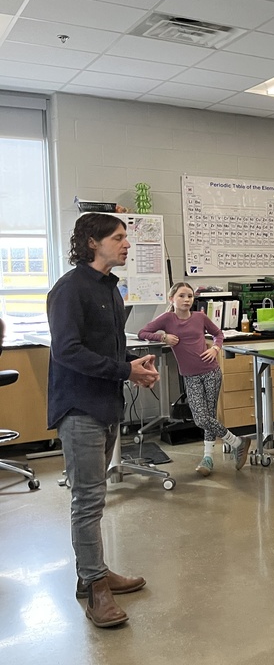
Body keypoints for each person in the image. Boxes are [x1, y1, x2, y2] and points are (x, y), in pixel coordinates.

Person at [47, 213, 160, 628]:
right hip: (79, 408)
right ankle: (96, 588)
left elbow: (108, 349)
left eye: (126, 237)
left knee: (93, 499)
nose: (127, 243)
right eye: (118, 237)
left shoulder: (111, 291)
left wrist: (133, 362)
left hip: (105, 403)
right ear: (92, 242)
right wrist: (126, 371)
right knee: (88, 500)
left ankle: (93, 573)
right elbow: (67, 352)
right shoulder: (69, 290)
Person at [138, 282, 251, 476]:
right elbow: (143, 333)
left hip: (211, 372)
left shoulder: (200, 317)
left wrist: (215, 349)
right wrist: (164, 338)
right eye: (181, 296)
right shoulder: (167, 319)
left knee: (209, 415)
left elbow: (218, 334)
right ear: (171, 298)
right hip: (190, 376)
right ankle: (237, 441)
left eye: (190, 296)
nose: (186, 300)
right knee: (201, 418)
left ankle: (207, 458)